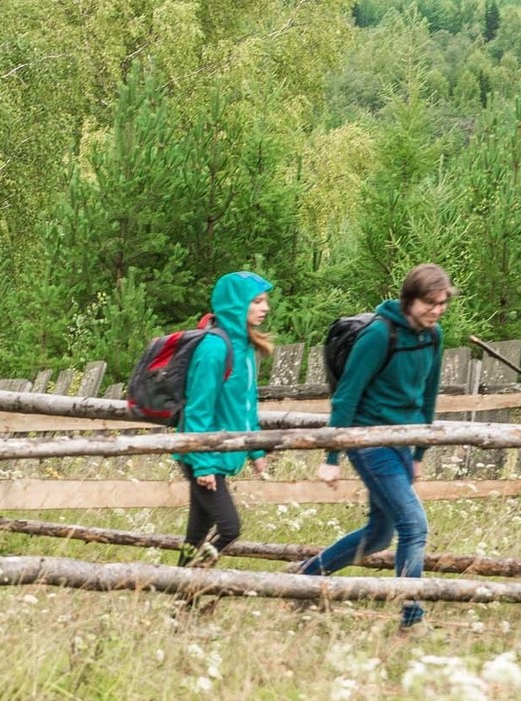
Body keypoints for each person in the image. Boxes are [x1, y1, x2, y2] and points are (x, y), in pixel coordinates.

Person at [297, 263, 452, 628]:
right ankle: (411, 619)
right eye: (429, 303)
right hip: (368, 440)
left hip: (404, 440)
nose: (436, 311)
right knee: (414, 526)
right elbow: (346, 396)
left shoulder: (433, 336)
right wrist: (332, 456)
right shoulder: (379, 336)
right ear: (410, 299)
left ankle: (304, 579)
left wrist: (419, 453)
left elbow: (428, 396)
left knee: (380, 535)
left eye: (442, 304)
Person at [176, 271, 275, 565]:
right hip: (202, 456)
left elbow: (245, 407)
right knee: (230, 528)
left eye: (265, 301)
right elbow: (198, 410)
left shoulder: (244, 348)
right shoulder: (214, 348)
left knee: (195, 536)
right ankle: (193, 584)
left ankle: (181, 601)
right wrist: (203, 462)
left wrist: (256, 451)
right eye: (256, 301)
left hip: (220, 453)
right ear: (235, 305)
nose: (264, 308)